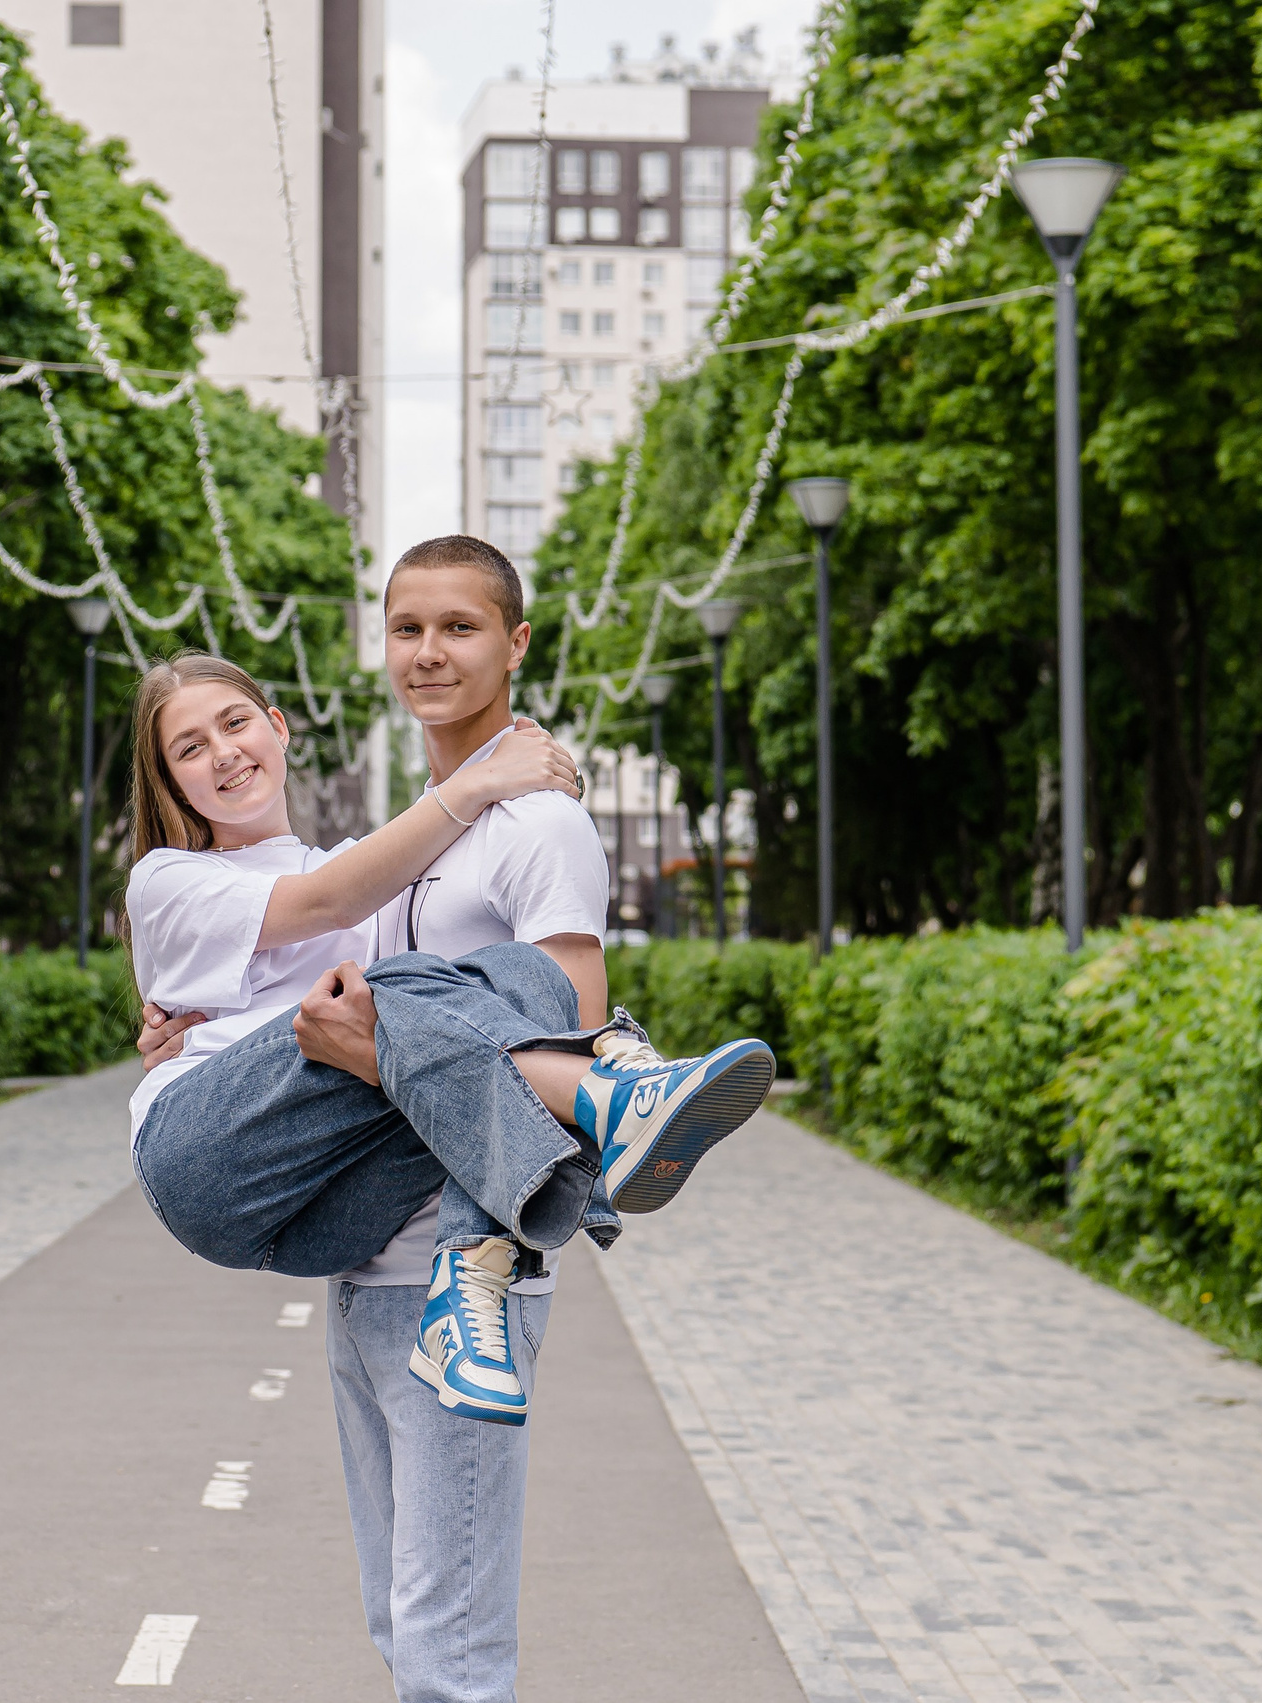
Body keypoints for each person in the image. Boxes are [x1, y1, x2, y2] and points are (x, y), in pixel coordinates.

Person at [135, 536, 764, 1703]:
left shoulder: (535, 825)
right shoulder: (385, 852)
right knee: (410, 1619)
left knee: (442, 1642)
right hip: (358, 1253)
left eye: (460, 627)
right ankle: (626, 1080)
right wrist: (209, 1029)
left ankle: (603, 1103)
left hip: (447, 1271)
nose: (429, 651)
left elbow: (549, 1008)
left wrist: (373, 1042)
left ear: (515, 643)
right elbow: (317, 952)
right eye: (408, 628)